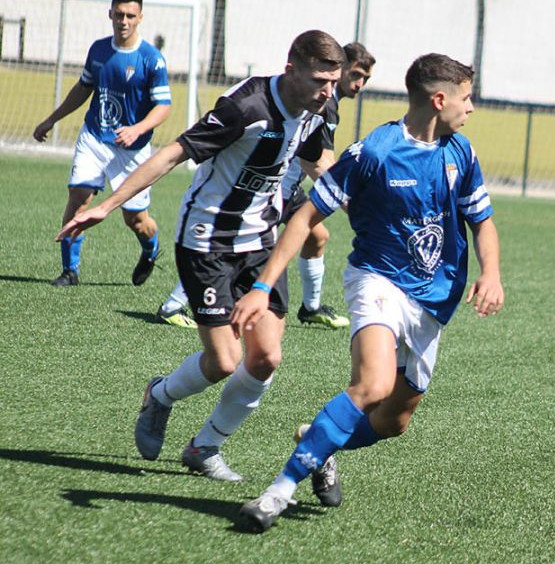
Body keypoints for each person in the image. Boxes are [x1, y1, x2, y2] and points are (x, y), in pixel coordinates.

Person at [56, 31, 346, 489]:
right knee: (225, 361)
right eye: (320, 80)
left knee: (266, 357)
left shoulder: (317, 109)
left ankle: (204, 446)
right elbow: (173, 153)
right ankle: (160, 394)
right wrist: (106, 205)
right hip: (206, 240)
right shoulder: (246, 107)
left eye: (335, 81)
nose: (329, 91)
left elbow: (318, 168)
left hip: (261, 242)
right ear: (291, 69)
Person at [231, 53, 505, 532]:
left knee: (393, 421)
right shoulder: (374, 153)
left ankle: (319, 443)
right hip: (377, 281)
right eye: (466, 98)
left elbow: (482, 221)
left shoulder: (461, 152)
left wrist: (492, 274)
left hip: (432, 302)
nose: (472, 108)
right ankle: (278, 491)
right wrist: (261, 286)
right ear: (439, 100)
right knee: (372, 385)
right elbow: (305, 216)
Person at [154, 42, 376, 329]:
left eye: (365, 80)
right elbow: (325, 164)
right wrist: (352, 202)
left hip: (289, 186)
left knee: (316, 236)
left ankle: (311, 307)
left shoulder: (325, 102)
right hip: (273, 188)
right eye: (356, 75)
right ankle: (175, 304)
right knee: (230, 247)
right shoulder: (323, 106)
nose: (359, 84)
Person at [34, 0, 171, 287]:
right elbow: (83, 88)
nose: (124, 21)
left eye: (130, 15)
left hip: (132, 150)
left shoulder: (151, 59)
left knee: (136, 220)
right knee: (79, 197)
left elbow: (163, 107)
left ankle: (150, 249)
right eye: (119, 14)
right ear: (110, 14)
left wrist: (137, 129)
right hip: (95, 136)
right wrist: (51, 120)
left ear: (140, 17)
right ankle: (69, 271)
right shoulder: (98, 50)